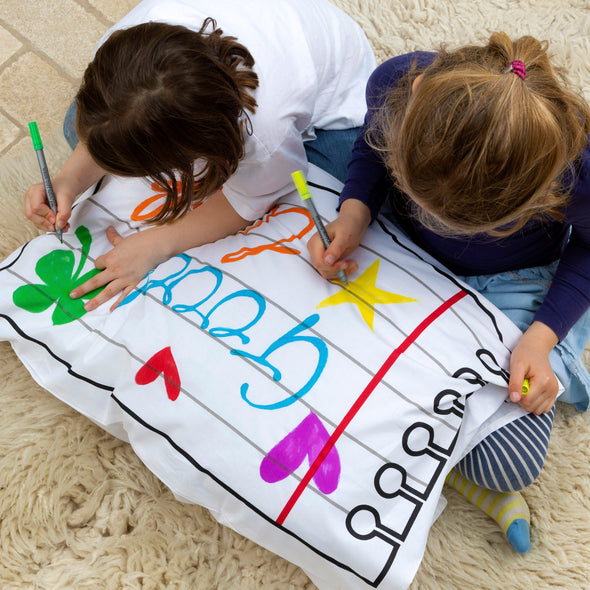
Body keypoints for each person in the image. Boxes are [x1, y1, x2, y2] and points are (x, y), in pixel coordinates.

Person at [307, 32, 590, 553]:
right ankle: (444, 461)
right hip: (399, 233)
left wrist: (541, 340)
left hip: (512, 279)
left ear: (546, 191)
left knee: (511, 463)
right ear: (415, 95)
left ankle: (450, 470)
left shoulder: (576, 169)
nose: (438, 220)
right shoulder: (395, 81)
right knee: (317, 149)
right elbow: (371, 152)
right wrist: (355, 212)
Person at [24, 0, 375, 311]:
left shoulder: (266, 130)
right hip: (271, 40)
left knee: (336, 190)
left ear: (202, 147)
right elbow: (110, 122)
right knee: (79, 125)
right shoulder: (130, 42)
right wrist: (68, 180)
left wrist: (155, 244)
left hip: (337, 100)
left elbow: (246, 203)